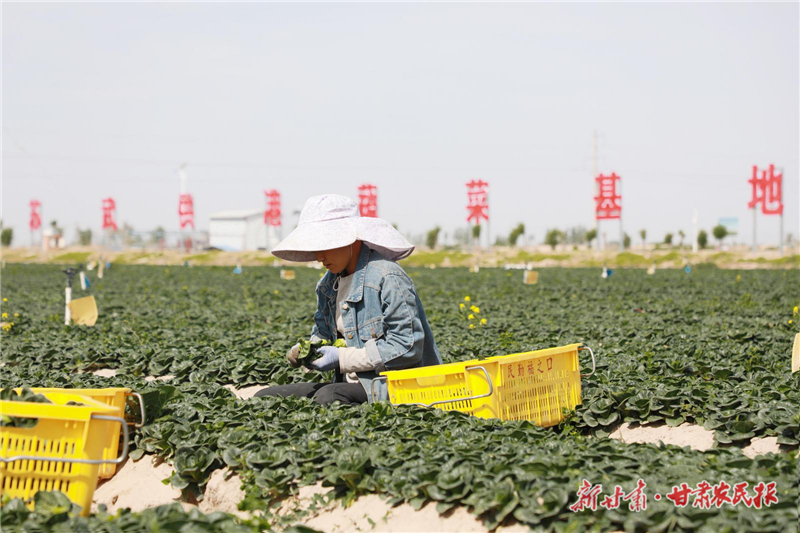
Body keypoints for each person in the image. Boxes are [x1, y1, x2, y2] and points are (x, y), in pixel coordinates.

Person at [255, 194, 442, 405]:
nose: (319, 257)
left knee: (330, 397)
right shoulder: (328, 285)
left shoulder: (387, 276)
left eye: (325, 245)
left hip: (393, 386)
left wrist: (341, 358)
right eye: (315, 248)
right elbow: (324, 334)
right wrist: (307, 352)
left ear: (352, 239)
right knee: (266, 397)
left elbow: (407, 347)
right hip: (353, 386)